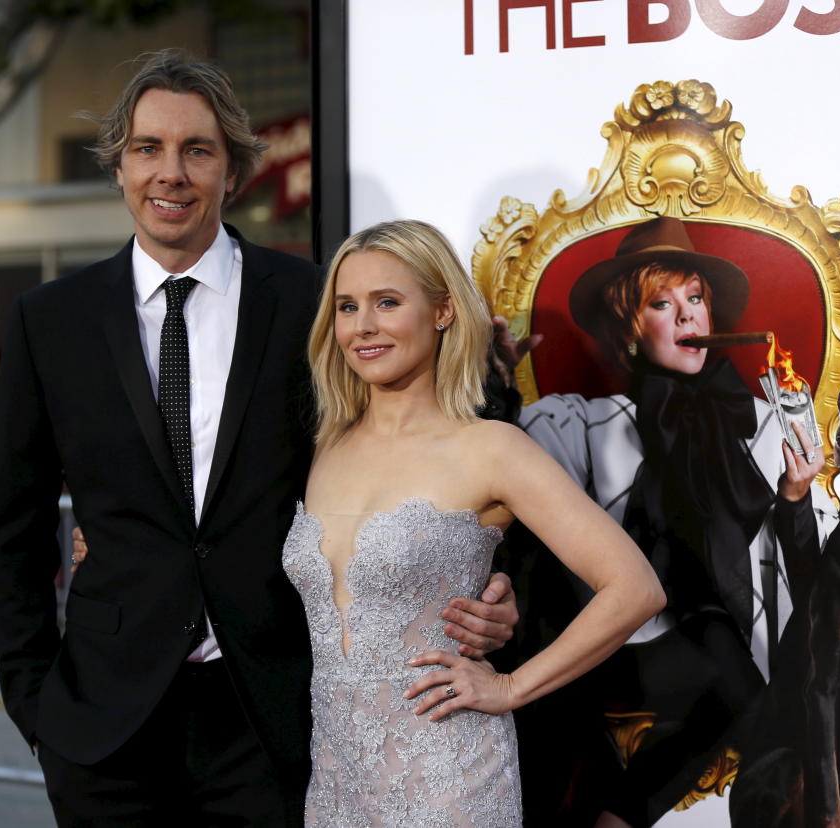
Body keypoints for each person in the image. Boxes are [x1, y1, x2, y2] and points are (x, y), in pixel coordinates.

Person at [0, 50, 517, 827]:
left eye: (197, 150)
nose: (171, 172)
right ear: (120, 168)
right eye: (147, 149)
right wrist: (37, 708)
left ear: (231, 170)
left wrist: (497, 586)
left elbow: (443, 441)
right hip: (102, 728)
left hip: (272, 716)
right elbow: (13, 527)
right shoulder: (49, 320)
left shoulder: (313, 301)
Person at [281, 219, 666, 826]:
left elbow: (635, 588)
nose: (363, 326)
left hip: (448, 779)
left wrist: (511, 687)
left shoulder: (491, 449)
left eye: (387, 302)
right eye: (347, 306)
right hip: (337, 784)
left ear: (441, 311)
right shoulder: (327, 446)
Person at [503, 216, 839, 826]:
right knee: (734, 671)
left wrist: (793, 496)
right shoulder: (588, 423)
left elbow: (809, 570)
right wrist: (494, 391)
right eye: (662, 303)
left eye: (695, 298)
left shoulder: (760, 423)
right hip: (619, 644)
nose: (687, 316)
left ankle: (620, 817)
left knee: (738, 673)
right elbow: (505, 472)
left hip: (734, 648)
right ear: (630, 331)